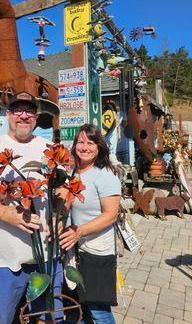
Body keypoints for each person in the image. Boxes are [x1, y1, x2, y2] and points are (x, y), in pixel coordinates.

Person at [0, 91, 63, 324]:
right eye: (18, 110)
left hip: (47, 257)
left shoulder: (50, 148)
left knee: (49, 318)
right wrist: (8, 214)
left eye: (29, 111)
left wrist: (60, 214)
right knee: (2, 320)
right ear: (8, 115)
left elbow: (63, 189)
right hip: (3, 261)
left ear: (36, 117)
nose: (23, 116)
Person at [59, 123, 121, 324]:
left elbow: (111, 214)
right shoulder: (73, 173)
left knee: (98, 309)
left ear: (99, 147)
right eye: (81, 142)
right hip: (75, 250)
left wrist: (80, 231)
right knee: (81, 307)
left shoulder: (105, 174)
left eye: (91, 143)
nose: (85, 147)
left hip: (97, 252)